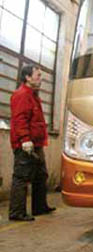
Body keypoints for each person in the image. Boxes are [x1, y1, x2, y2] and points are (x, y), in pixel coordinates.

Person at [8, 65, 56, 221]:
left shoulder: (33, 95)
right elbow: (20, 119)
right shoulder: (22, 95)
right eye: (38, 75)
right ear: (28, 77)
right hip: (26, 144)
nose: (41, 79)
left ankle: (39, 207)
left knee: (41, 175)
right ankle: (16, 212)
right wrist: (25, 139)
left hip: (36, 143)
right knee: (22, 177)